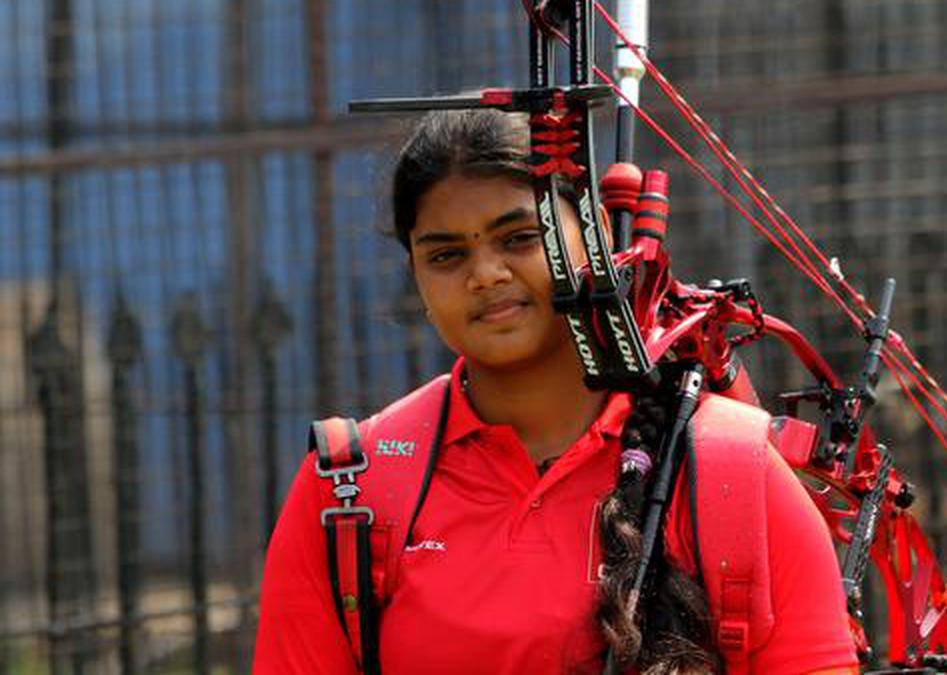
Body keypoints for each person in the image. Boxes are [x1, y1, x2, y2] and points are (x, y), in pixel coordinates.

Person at [254, 109, 858, 674]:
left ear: (593, 239)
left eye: (518, 238)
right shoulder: (348, 490)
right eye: (445, 254)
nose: (485, 274)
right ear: (414, 274)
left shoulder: (733, 476)